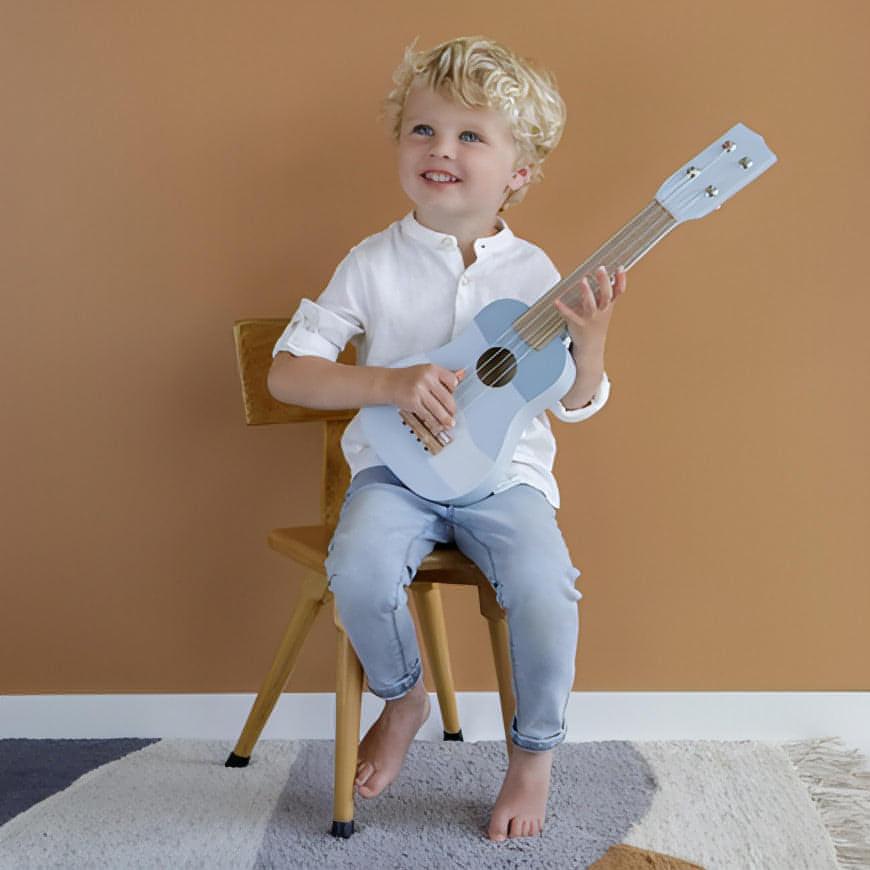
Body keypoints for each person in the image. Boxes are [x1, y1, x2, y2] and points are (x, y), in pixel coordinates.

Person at [267, 35, 626, 841]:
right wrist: (388, 382)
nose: (442, 149)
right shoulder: (370, 263)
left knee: (544, 588)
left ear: (518, 172)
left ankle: (533, 754)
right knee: (356, 568)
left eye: (471, 136)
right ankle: (405, 695)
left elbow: (574, 401)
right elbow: (289, 374)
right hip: (395, 476)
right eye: (423, 130)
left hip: (506, 481)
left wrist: (592, 342)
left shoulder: (537, 274)